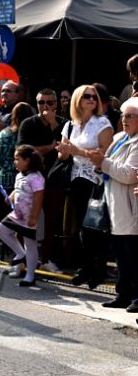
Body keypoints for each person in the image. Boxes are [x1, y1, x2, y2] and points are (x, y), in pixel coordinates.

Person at [56, 85, 113, 285]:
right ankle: (85, 266)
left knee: (94, 227)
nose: (91, 100)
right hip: (74, 178)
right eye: (87, 96)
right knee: (76, 226)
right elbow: (63, 155)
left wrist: (77, 150)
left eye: (94, 97)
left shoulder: (102, 123)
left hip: (95, 180)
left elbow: (105, 155)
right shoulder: (70, 125)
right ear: (77, 100)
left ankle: (98, 269)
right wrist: (63, 150)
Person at [88, 97, 138, 311]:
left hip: (129, 206)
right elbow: (107, 165)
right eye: (123, 115)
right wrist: (100, 165)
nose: (124, 120)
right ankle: (123, 294)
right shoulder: (119, 138)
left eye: (130, 116)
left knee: (133, 255)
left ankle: (136, 297)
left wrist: (104, 163)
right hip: (114, 204)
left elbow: (129, 174)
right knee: (120, 255)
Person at [16, 89, 67, 272]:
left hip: (55, 178)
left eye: (50, 103)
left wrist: (54, 126)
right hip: (31, 179)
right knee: (25, 219)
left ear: (57, 104)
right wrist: (50, 147)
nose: (45, 106)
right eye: (41, 103)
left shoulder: (64, 124)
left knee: (51, 221)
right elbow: (24, 151)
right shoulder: (28, 123)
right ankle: (22, 261)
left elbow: (66, 150)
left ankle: (46, 259)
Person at [0, 102, 35, 264]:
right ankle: (21, 253)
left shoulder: (5, 134)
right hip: (24, 184)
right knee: (20, 220)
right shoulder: (30, 137)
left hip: (4, 181)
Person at [0, 145, 45, 287]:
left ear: (28, 160)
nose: (14, 162)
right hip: (17, 214)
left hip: (29, 216)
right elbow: (17, 190)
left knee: (30, 244)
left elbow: (38, 197)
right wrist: (10, 197)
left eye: (17, 159)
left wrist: (34, 216)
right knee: (1, 230)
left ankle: (30, 276)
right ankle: (20, 254)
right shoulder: (19, 175)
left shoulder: (36, 177)